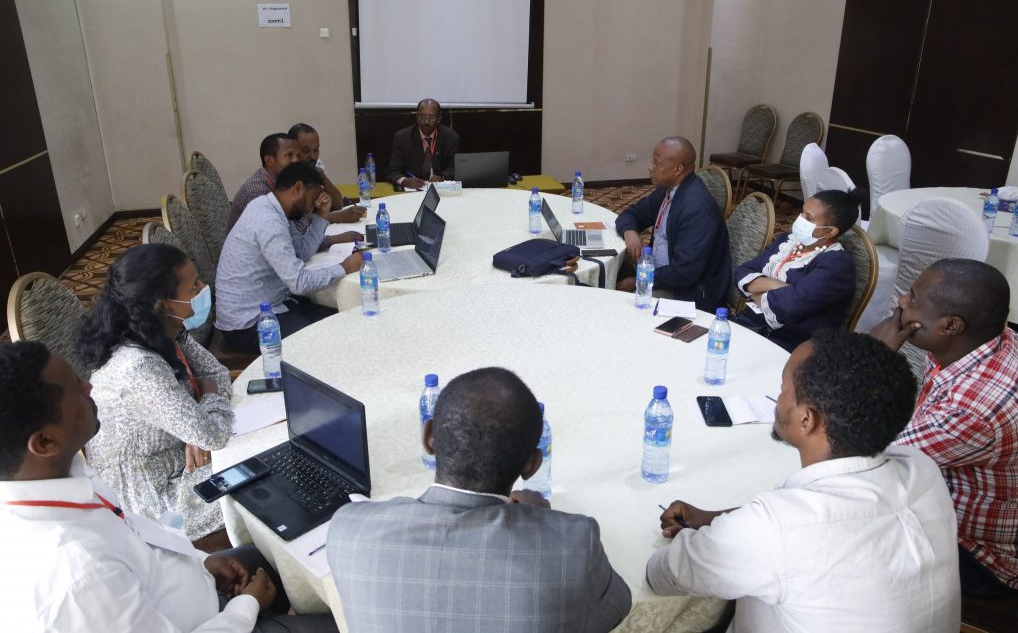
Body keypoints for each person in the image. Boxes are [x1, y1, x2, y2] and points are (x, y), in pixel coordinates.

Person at [0, 341, 337, 632]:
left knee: (290, 552)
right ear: (44, 442)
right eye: (75, 390)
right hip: (220, 621)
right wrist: (245, 607)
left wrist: (201, 563)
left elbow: (136, 539)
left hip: (205, 585)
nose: (89, 387)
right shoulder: (76, 574)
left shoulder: (60, 475)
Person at [647, 330, 960, 632]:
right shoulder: (921, 469)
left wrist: (721, 534)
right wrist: (718, 519)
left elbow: (662, 573)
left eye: (783, 388)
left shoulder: (772, 530)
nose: (778, 398)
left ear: (806, 419)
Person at [327, 367, 631, 631]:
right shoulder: (574, 544)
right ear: (532, 465)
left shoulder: (349, 530)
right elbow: (617, 609)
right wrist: (542, 522)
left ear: (429, 437)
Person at [871, 258, 1018, 596]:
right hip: (944, 497)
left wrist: (872, 356)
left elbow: (869, 461)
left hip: (976, 555)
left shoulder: (970, 408)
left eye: (913, 298)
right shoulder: (987, 340)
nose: (902, 302)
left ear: (951, 325)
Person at [77, 243, 233, 540]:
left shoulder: (165, 332)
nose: (204, 288)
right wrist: (204, 410)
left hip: (180, 462)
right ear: (163, 305)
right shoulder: (137, 367)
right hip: (158, 503)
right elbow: (213, 435)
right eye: (194, 286)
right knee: (262, 476)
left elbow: (218, 376)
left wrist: (196, 425)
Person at [216, 162, 363, 354]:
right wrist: (345, 267)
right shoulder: (269, 221)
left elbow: (301, 252)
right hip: (248, 325)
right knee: (326, 343)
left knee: (340, 318)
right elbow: (299, 283)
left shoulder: (273, 207)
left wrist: (322, 216)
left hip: (273, 305)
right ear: (298, 187)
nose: (311, 207)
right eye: (312, 199)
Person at [732, 189, 861, 351]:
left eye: (809, 218)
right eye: (802, 212)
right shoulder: (787, 241)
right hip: (754, 323)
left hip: (793, 344)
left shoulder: (837, 265)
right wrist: (774, 285)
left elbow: (788, 307)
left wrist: (756, 290)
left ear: (830, 231)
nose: (800, 219)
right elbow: (742, 271)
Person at [615, 136, 731, 312]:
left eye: (656, 163)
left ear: (678, 169)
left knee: (628, 305)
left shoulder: (697, 210)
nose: (650, 167)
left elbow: (684, 273)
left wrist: (637, 280)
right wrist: (629, 231)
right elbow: (630, 214)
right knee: (611, 269)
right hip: (658, 271)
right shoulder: (667, 189)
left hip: (689, 293)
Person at [229, 132, 362, 234]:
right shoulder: (257, 192)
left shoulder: (285, 182)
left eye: (298, 156)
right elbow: (293, 236)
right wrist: (335, 230)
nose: (295, 161)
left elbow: (300, 223)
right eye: (289, 155)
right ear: (269, 160)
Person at [288, 122, 365, 223]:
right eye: (306, 151)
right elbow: (296, 220)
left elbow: (338, 205)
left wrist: (322, 176)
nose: (313, 156)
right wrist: (338, 217)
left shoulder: (316, 165)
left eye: (316, 150)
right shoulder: (285, 172)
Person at [385, 98, 459, 190]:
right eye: (422, 116)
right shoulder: (402, 138)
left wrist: (442, 177)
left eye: (431, 117)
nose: (426, 122)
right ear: (417, 117)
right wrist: (404, 180)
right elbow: (393, 171)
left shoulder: (450, 137)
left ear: (439, 119)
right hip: (411, 192)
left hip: (441, 191)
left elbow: (454, 168)